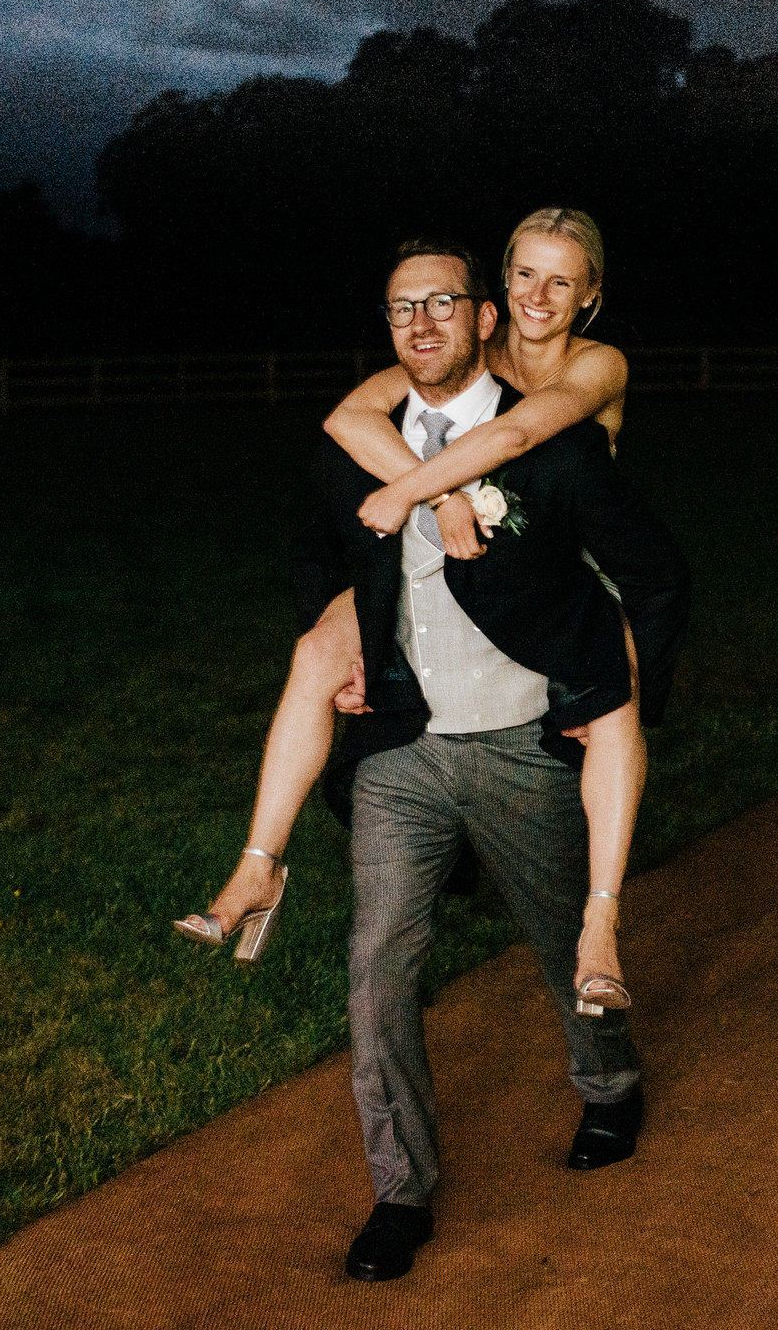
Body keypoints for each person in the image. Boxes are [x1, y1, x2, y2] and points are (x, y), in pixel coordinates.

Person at [294, 241, 688, 1280]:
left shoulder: (564, 420)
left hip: (527, 716)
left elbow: (644, 562)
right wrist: (355, 645)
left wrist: (620, 682)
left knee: (565, 937)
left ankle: (607, 1085)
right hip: (404, 746)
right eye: (400, 308)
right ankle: (399, 1190)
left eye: (442, 304)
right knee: (377, 963)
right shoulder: (387, 414)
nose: (423, 323)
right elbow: (333, 525)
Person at [175, 212, 652, 1008]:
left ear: (589, 295)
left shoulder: (597, 363)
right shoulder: (473, 347)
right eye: (525, 274)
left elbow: (522, 432)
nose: (539, 295)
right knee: (318, 653)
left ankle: (600, 924)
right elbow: (348, 419)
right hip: (456, 551)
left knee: (616, 695)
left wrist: (411, 491)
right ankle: (259, 864)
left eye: (561, 280)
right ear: (500, 286)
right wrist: (447, 499)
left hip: (559, 561)